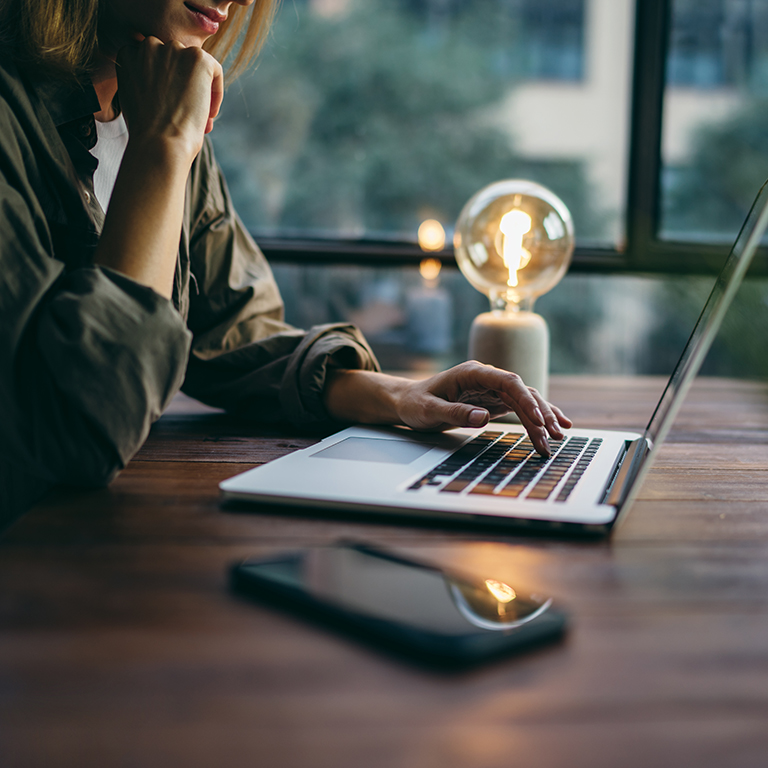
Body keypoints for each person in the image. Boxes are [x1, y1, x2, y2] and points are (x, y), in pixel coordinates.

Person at [0, 0, 572, 528]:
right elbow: (81, 426)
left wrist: (400, 397)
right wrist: (164, 145)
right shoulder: (151, 124)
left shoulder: (160, 105)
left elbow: (233, 330)